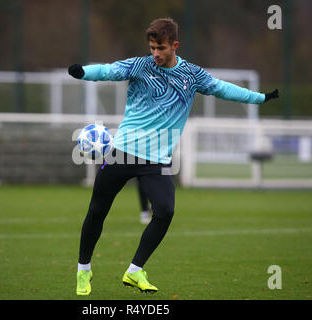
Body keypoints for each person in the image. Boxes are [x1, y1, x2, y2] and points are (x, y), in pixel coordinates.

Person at [69, 18, 279, 296]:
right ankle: (83, 270)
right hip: (122, 152)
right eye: (152, 47)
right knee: (97, 210)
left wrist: (260, 98)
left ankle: (135, 271)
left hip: (156, 161)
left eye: (160, 48)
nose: (155, 53)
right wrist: (83, 72)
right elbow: (109, 70)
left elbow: (223, 88)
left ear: (174, 46)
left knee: (165, 211)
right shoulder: (140, 66)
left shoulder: (192, 75)